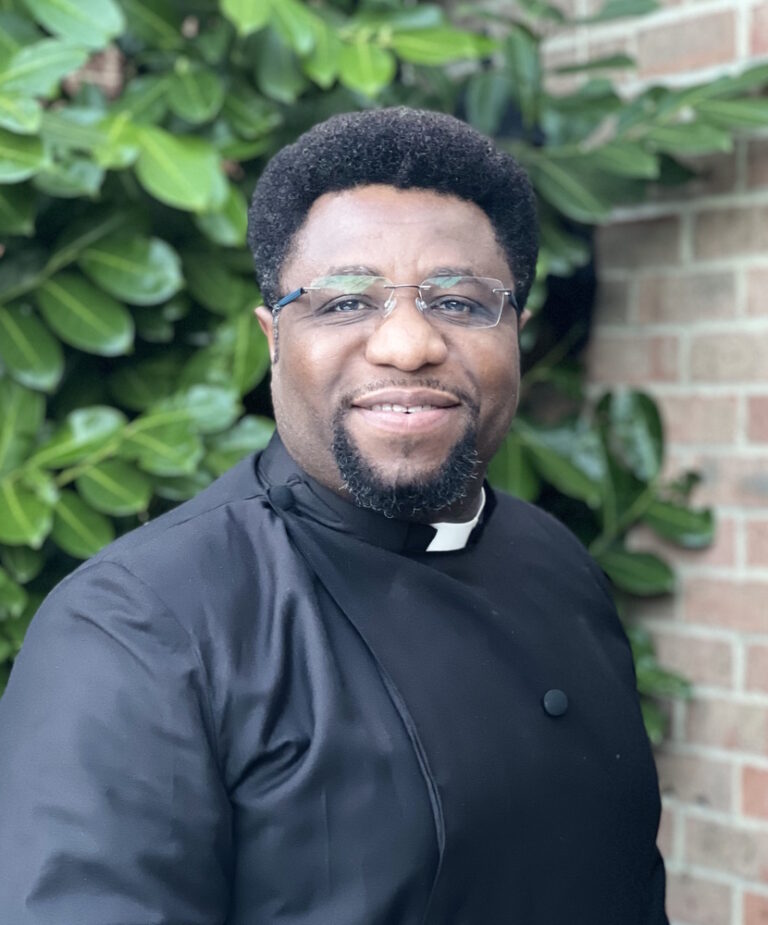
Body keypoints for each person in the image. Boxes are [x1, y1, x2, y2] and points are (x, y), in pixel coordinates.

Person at [0, 107, 668, 924]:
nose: (407, 343)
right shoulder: (137, 629)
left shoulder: (557, 560)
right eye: (347, 302)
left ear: (516, 335)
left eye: (459, 301)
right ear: (273, 337)